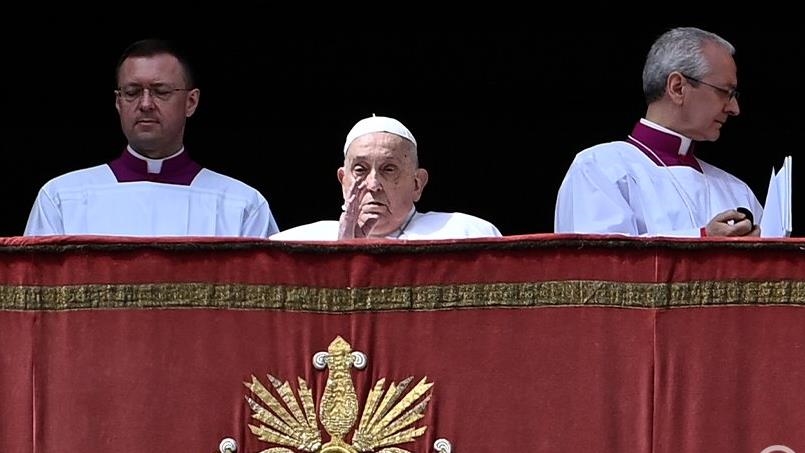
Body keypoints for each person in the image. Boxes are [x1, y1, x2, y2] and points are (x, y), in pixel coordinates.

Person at [24, 38, 278, 237]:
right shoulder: (62, 198)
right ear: (118, 102)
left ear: (191, 102)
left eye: (161, 91)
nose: (145, 104)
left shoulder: (241, 205)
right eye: (132, 92)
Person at [554, 27, 762, 237]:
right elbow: (603, 257)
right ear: (677, 87)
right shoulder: (599, 168)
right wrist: (703, 238)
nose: (734, 108)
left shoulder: (737, 190)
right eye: (725, 92)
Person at [270, 115, 501, 240]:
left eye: (388, 169)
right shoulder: (295, 245)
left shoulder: (469, 235)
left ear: (417, 184)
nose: (373, 185)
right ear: (343, 181)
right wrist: (341, 255)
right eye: (360, 169)